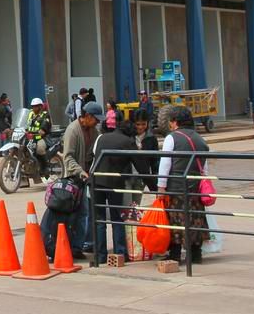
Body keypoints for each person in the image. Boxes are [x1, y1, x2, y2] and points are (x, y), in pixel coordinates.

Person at [93, 118, 156, 263]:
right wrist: (154, 187)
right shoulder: (128, 142)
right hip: (114, 184)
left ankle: (100, 256)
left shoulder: (102, 137)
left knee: (99, 219)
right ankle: (120, 253)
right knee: (117, 218)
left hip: (96, 181)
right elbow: (142, 168)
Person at [157, 106, 210, 264]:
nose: (170, 125)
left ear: (175, 122)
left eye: (171, 122)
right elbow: (204, 166)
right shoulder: (200, 139)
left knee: (176, 221)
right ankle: (195, 254)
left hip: (177, 188)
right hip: (196, 188)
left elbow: (165, 163)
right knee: (195, 220)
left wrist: (161, 187)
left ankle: (174, 254)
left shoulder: (172, 138)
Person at [61, 103, 102, 258]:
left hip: (86, 176)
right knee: (78, 212)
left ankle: (81, 245)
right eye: (96, 119)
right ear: (88, 116)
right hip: (73, 178)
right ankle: (74, 245)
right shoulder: (73, 130)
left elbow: (95, 152)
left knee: (86, 211)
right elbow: (68, 157)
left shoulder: (94, 131)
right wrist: (80, 172)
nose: (97, 123)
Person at [26, 97, 53, 179]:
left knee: (40, 149)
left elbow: (46, 123)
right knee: (22, 148)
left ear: (40, 106)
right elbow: (26, 123)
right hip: (31, 137)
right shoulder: (30, 114)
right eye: (33, 106)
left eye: (36, 106)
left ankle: (45, 168)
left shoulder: (45, 114)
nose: (34, 108)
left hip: (42, 138)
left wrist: (42, 130)